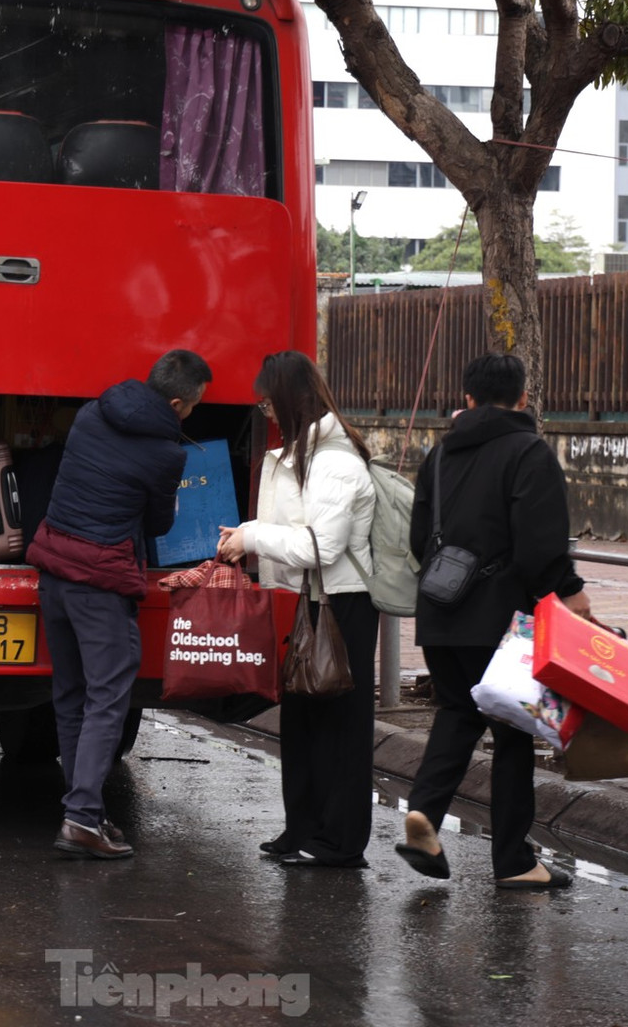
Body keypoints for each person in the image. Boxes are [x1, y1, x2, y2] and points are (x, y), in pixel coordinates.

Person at [397, 352, 592, 889]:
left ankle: (425, 814)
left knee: (457, 713)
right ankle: (513, 860)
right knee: (510, 734)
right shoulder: (528, 451)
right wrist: (569, 591)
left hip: (439, 612)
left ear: (467, 398)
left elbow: (419, 541)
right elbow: (540, 545)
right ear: (522, 398)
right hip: (500, 622)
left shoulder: (438, 457)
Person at [25, 349, 213, 860]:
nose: (191, 416)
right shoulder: (167, 455)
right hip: (100, 582)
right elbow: (156, 525)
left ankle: (82, 808)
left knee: (69, 695)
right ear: (177, 402)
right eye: (192, 408)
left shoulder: (91, 413)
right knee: (108, 699)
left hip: (54, 568)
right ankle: (82, 819)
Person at [217, 350, 378, 868]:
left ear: (290, 399)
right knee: (304, 721)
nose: (263, 408)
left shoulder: (333, 461)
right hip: (308, 602)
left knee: (339, 726)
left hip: (342, 605)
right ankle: (303, 829)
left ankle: (340, 842)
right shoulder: (298, 452)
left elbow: (321, 548)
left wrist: (253, 537)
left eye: (268, 399)